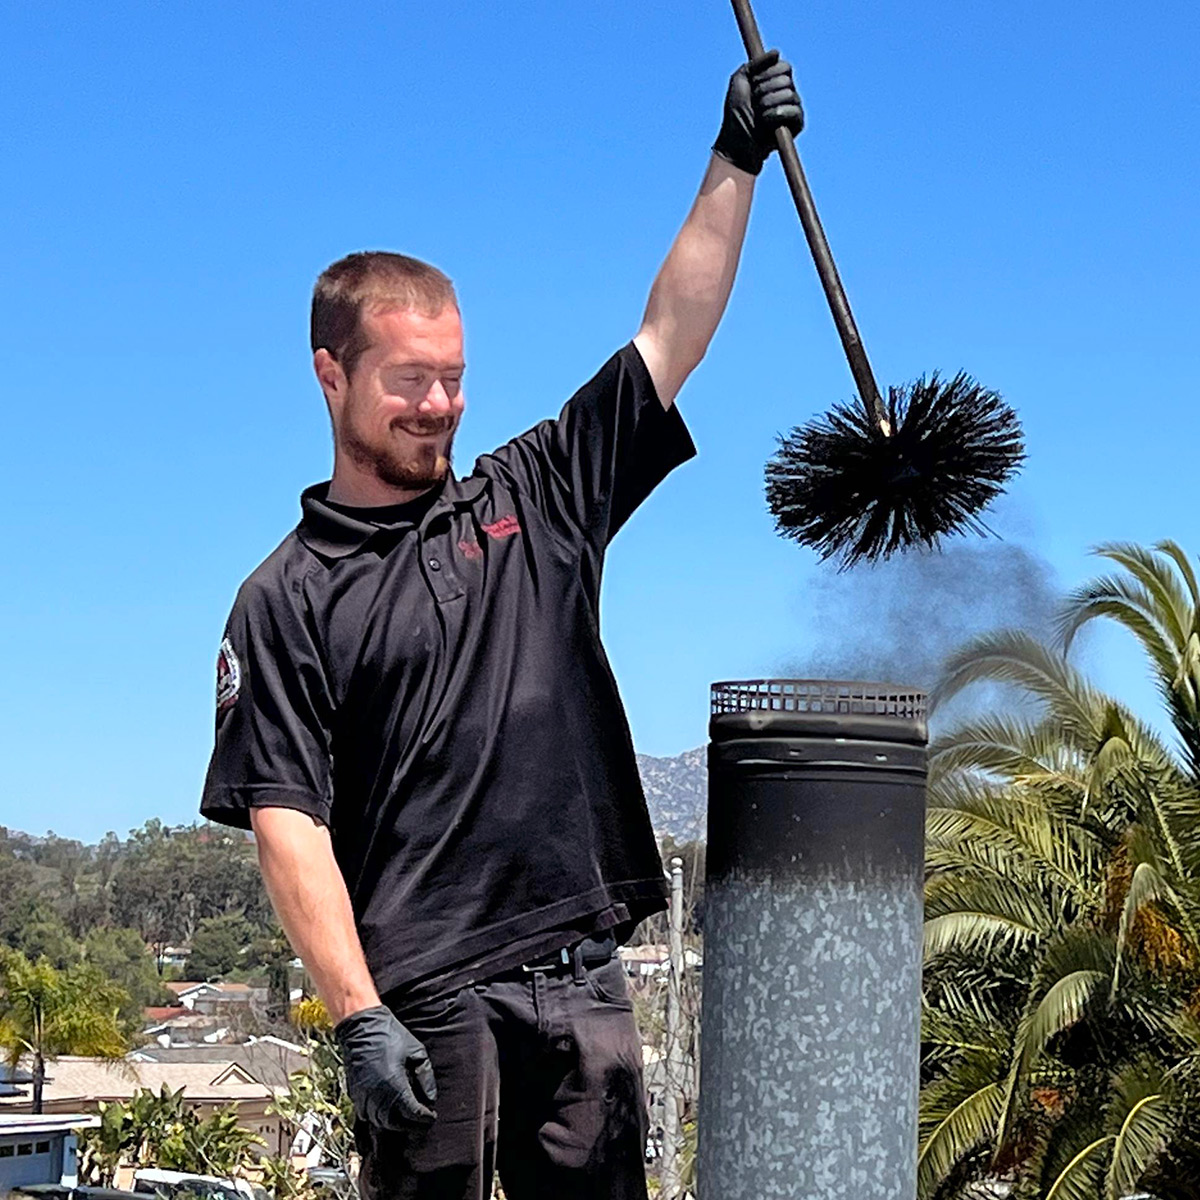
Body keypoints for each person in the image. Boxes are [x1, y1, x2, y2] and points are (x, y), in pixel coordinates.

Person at [200, 50, 802, 1200]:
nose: (441, 406)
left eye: (456, 378)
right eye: (411, 381)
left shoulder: (537, 497)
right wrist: (358, 1017)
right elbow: (286, 819)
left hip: (581, 974)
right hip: (428, 999)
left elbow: (665, 338)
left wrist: (734, 159)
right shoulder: (283, 599)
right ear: (331, 375)